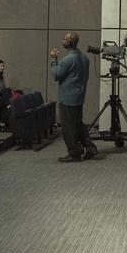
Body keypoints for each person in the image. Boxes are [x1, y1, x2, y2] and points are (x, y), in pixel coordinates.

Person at [52, 32, 96, 162]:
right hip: (79, 97)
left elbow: (56, 75)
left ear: (70, 41)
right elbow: (85, 78)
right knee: (78, 124)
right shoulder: (84, 59)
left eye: (65, 38)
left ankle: (74, 152)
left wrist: (54, 60)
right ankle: (90, 147)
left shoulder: (68, 60)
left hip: (67, 98)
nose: (63, 40)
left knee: (68, 127)